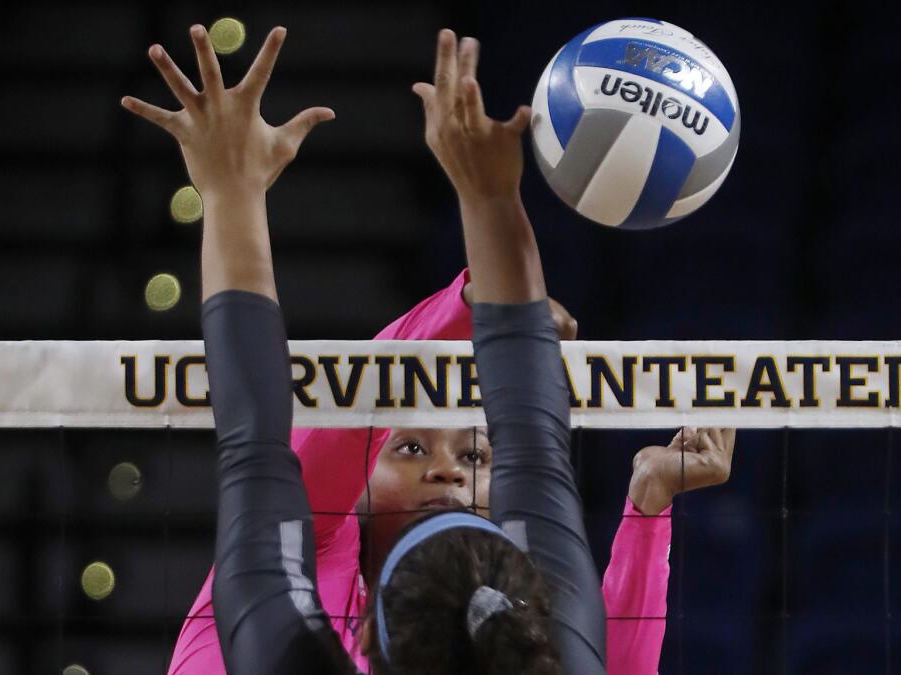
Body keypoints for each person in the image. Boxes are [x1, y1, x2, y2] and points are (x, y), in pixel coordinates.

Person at [123, 24, 734, 674]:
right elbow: (532, 454)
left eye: (474, 452)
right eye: (410, 445)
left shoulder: (270, 628)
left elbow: (266, 445)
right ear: (531, 609)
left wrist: (229, 187)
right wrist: (646, 510)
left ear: (363, 640)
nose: (448, 471)